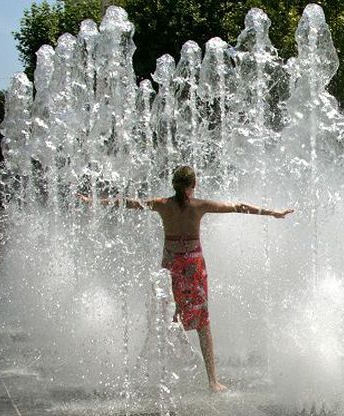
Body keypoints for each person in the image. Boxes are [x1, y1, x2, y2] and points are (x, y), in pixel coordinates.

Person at [80, 165, 294, 392]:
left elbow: (128, 202)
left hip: (171, 266)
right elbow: (238, 206)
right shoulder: (199, 206)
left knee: (166, 319)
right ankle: (212, 380)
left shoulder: (163, 205)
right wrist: (272, 212)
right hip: (193, 267)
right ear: (194, 185)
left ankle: (156, 376)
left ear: (174, 184)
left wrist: (94, 201)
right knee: (202, 323)